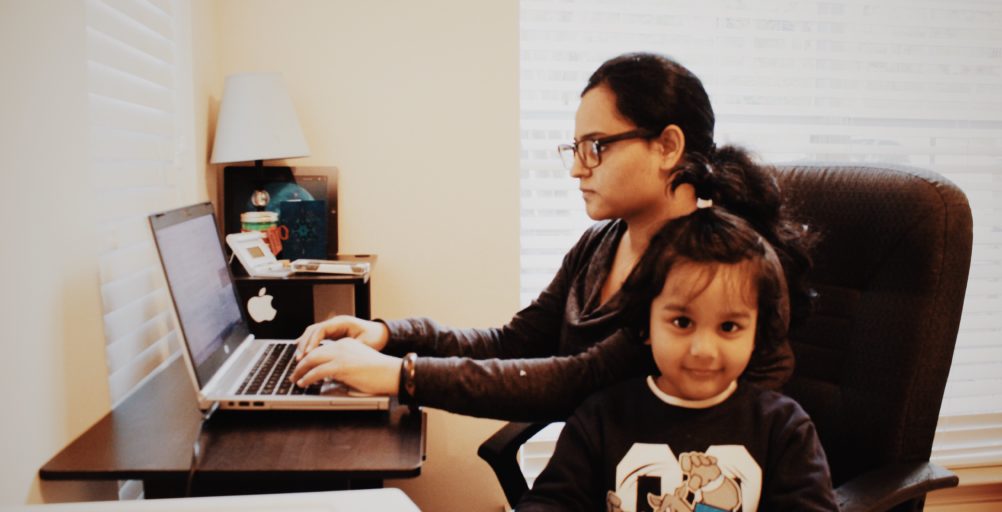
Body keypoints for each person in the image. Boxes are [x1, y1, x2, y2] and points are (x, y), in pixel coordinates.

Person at [289, 52, 813, 421]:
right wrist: (389, 334)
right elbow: (513, 344)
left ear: (667, 146)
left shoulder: (708, 269)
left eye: (597, 146)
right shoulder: (604, 243)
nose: (578, 169)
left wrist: (401, 376)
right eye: (576, 148)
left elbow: (576, 382)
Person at [517, 207, 837, 512]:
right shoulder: (600, 418)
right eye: (682, 322)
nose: (703, 349)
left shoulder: (783, 429)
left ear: (757, 333)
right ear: (646, 324)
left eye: (729, 327)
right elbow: (552, 501)